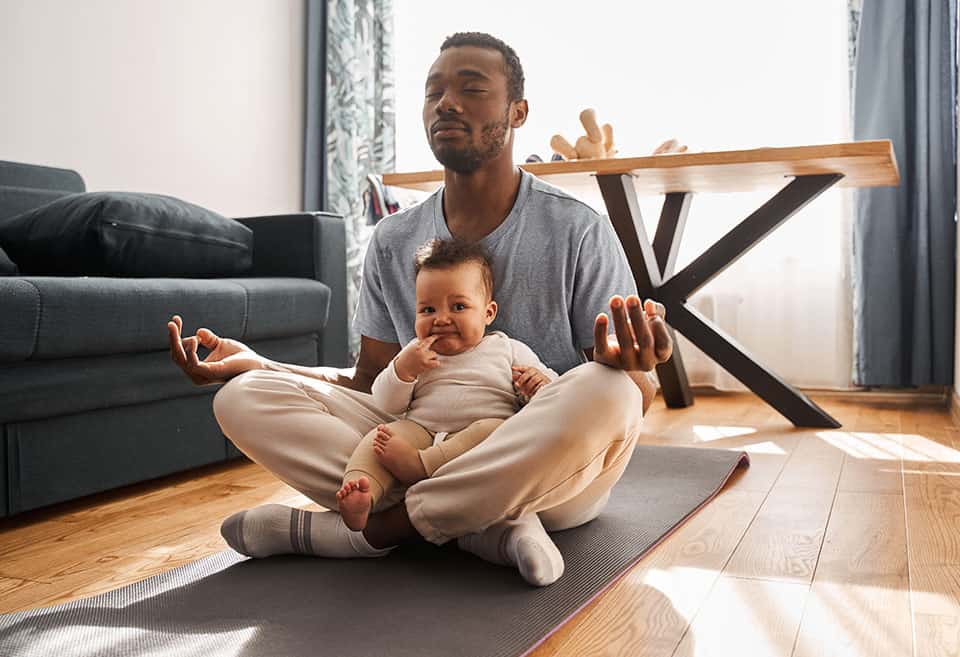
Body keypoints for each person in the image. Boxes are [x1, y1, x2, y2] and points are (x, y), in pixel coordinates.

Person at [168, 31, 675, 587]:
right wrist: (259, 364)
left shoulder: (577, 230)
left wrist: (630, 367)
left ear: (518, 111)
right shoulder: (394, 239)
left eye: (471, 88)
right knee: (242, 397)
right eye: (434, 91)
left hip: (545, 478)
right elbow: (369, 383)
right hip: (416, 443)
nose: (447, 103)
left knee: (609, 390)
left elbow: (634, 400)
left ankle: (375, 531)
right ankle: (485, 527)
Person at [336, 237, 557, 532]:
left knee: (494, 429)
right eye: (427, 310)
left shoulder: (507, 349)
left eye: (458, 306)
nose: (441, 319)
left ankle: (421, 467)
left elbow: (555, 397)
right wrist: (404, 370)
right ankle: (361, 490)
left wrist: (537, 385)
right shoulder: (416, 353)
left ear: (488, 313)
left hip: (481, 439)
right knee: (382, 436)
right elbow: (386, 402)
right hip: (423, 430)